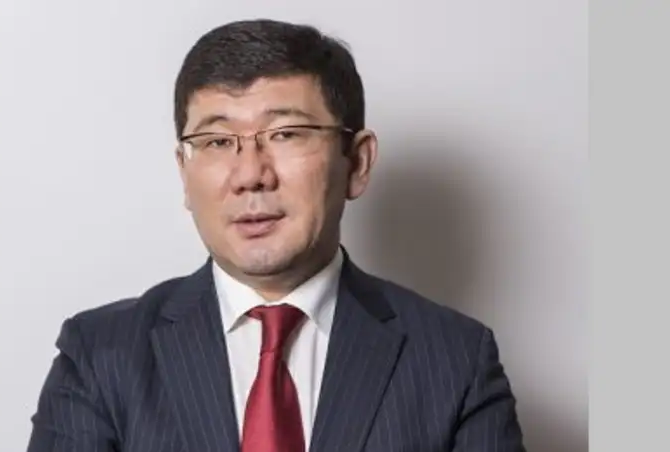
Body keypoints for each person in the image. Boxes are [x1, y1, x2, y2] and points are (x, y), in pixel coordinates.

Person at [26, 18, 525, 452]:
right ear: (184, 172)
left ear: (357, 162)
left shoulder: (456, 360)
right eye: (216, 141)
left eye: (286, 134)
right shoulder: (100, 357)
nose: (250, 175)